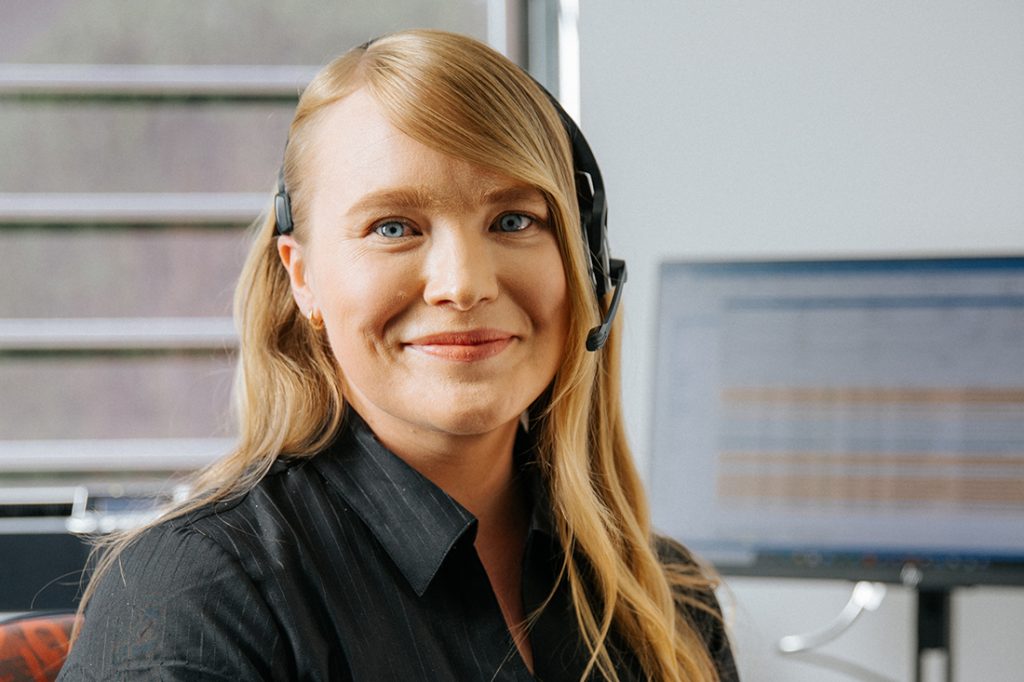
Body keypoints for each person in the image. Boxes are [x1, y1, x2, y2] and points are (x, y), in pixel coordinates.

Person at [59, 29, 737, 681]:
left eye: (514, 220)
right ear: (303, 277)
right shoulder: (199, 593)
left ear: (585, 266)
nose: (464, 283)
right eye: (393, 228)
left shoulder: (666, 599)